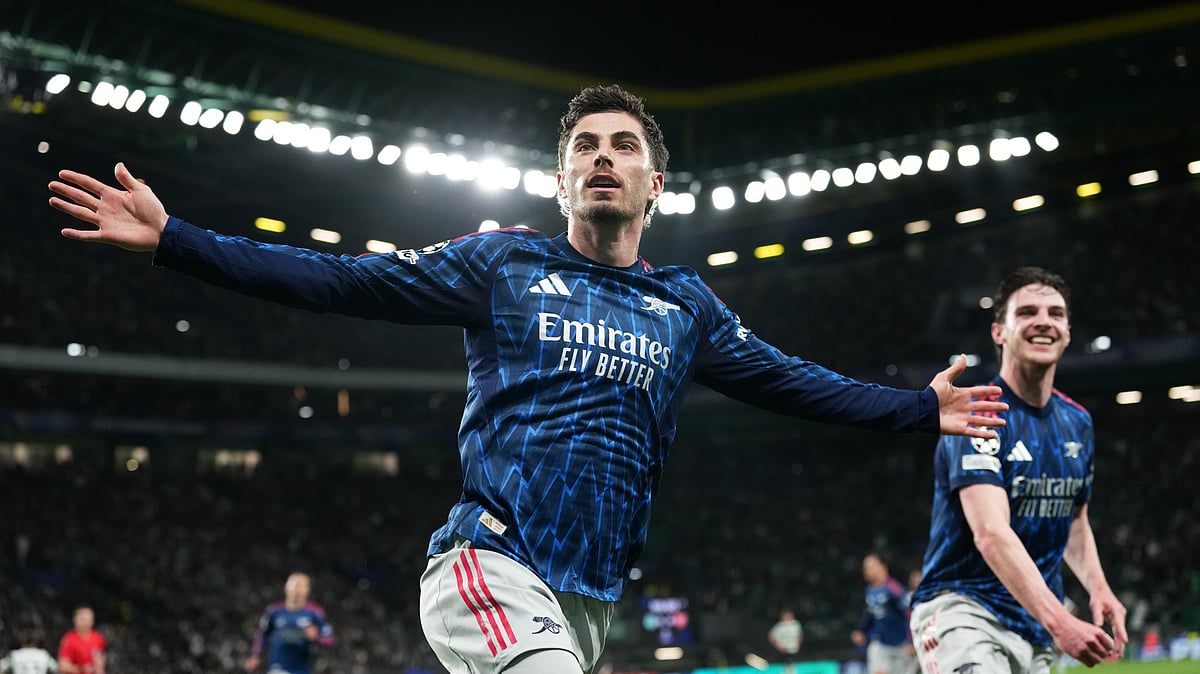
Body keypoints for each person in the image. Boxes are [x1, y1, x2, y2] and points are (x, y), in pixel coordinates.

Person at [48, 83, 1008, 674]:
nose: (602, 157)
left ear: (654, 184)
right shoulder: (502, 265)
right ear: (559, 182)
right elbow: (346, 282)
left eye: (622, 145)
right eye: (583, 147)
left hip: (588, 593)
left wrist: (919, 409)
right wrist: (178, 240)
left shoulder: (687, 309)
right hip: (488, 559)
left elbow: (793, 382)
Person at [908, 266, 1128, 674]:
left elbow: (1073, 519)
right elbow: (991, 534)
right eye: (1027, 312)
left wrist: (1099, 589)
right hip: (964, 610)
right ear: (999, 332)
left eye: (1056, 313)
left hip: (1033, 626)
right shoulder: (978, 413)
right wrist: (1063, 622)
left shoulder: (1078, 421)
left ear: (1067, 331)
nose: (1044, 321)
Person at [244, 572, 334, 674]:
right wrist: (256, 656)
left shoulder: (315, 613)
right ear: (286, 587)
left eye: (301, 586)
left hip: (302, 669)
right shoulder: (274, 611)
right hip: (277, 668)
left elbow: (329, 640)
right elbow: (262, 635)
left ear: (307, 590)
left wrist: (316, 637)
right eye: (294, 584)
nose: (297, 589)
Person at [851, 552, 916, 674]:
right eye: (865, 568)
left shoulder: (894, 589)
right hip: (880, 644)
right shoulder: (870, 591)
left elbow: (908, 613)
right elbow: (872, 614)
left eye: (871, 567)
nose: (866, 571)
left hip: (900, 646)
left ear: (883, 567)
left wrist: (912, 641)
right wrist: (862, 631)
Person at [56, 606, 104, 674]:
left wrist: (98, 667)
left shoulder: (98, 637)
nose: (85, 623)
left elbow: (100, 659)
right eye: (82, 619)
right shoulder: (69, 639)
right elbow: (63, 665)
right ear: (75, 620)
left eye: (88, 619)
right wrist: (82, 668)